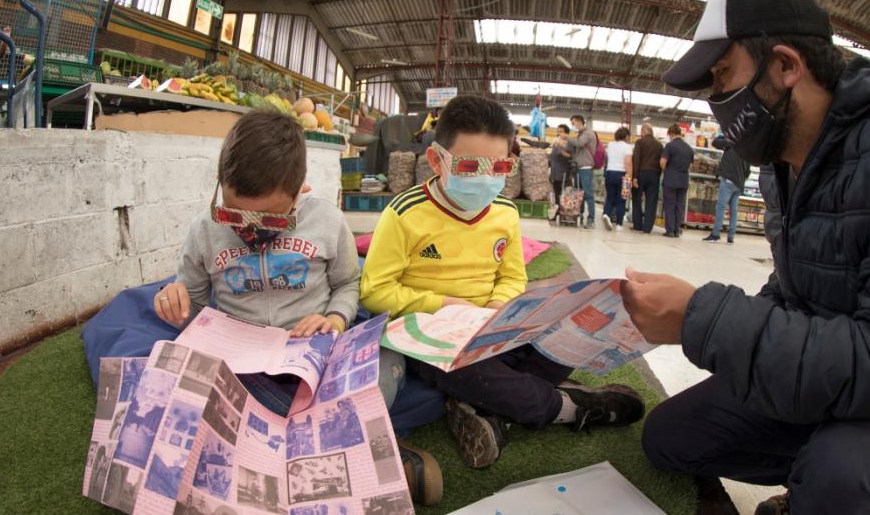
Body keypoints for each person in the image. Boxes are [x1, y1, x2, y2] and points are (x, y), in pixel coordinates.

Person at [622, 0, 870, 515]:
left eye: (722, 76)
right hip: (821, 374)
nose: (718, 101)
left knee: (840, 476)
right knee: (668, 438)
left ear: (786, 66)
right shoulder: (783, 160)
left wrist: (704, 318)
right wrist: (685, 324)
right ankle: (807, 471)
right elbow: (793, 286)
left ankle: (809, 493)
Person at [151, 111, 439, 505]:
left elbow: (347, 283)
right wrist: (175, 299)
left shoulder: (326, 220)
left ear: (299, 190)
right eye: (233, 214)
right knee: (178, 394)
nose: (249, 230)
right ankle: (362, 463)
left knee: (386, 362)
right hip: (246, 370)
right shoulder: (204, 230)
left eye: (269, 219)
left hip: (317, 357)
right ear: (220, 188)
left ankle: (275, 462)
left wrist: (335, 319)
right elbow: (194, 301)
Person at [361, 95, 645, 470]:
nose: (485, 178)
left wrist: (499, 308)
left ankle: (490, 410)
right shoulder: (404, 214)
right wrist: (445, 306)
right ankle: (568, 408)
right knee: (465, 371)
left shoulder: (505, 213)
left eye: (498, 166)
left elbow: (512, 276)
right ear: (435, 160)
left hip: (494, 329)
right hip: (431, 338)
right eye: (468, 166)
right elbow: (375, 292)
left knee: (560, 332)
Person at [703, 137, 750, 244]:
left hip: (728, 181)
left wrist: (726, 135)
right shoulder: (746, 151)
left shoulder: (731, 144)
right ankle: (731, 237)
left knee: (720, 207)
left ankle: (715, 235)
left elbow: (715, 142)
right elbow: (748, 172)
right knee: (733, 211)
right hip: (739, 185)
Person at [660, 123, 693, 238]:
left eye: (669, 135)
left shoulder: (670, 146)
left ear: (672, 133)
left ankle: (670, 231)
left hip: (671, 180)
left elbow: (662, 162)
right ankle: (676, 230)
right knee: (679, 206)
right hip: (683, 180)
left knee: (669, 205)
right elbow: (690, 165)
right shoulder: (689, 148)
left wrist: (666, 171)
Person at [630, 123, 663, 233]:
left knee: (637, 198)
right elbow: (660, 163)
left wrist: (634, 176)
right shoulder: (659, 145)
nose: (641, 134)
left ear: (644, 131)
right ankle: (647, 227)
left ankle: (638, 225)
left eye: (641, 132)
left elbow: (636, 159)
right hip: (654, 175)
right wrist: (658, 175)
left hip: (641, 174)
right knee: (651, 201)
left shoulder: (640, 142)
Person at [601, 126, 633, 231]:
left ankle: (606, 214)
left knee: (610, 198)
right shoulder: (628, 147)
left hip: (609, 173)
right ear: (627, 136)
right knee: (621, 200)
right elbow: (628, 163)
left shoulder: (610, 145)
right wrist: (630, 176)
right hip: (622, 174)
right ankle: (619, 225)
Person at [570, 114, 598, 228]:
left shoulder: (588, 133)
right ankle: (579, 215)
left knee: (588, 194)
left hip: (586, 168)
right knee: (579, 194)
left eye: (573, 122)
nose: (572, 125)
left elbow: (580, 143)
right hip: (579, 168)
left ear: (579, 121)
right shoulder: (580, 134)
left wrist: (566, 137)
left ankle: (591, 219)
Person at [549, 123, 574, 220]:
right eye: (558, 131)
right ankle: (558, 212)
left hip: (565, 174)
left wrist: (561, 149)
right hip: (555, 173)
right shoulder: (555, 142)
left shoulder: (570, 143)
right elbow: (552, 157)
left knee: (566, 194)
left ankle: (566, 214)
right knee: (556, 194)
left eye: (561, 131)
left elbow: (571, 156)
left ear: (566, 133)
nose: (558, 133)